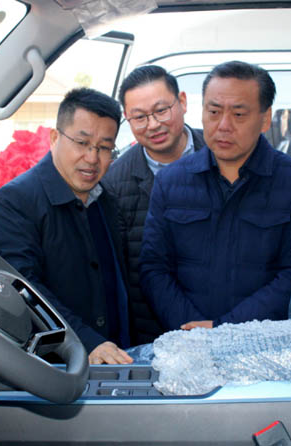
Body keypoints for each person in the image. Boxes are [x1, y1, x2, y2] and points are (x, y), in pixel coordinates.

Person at [140, 61, 291, 332]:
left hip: (263, 343)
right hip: (187, 341)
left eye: (238, 114)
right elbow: (154, 269)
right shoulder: (171, 182)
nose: (223, 126)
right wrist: (192, 330)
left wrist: (224, 329)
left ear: (265, 119)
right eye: (214, 112)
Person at [0, 88, 133, 365]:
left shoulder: (105, 199)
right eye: (82, 142)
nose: (92, 158)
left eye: (104, 147)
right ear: (54, 138)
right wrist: (87, 342)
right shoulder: (14, 202)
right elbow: (22, 290)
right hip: (54, 367)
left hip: (112, 359)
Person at [102, 65, 205, 345]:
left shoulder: (224, 154)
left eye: (161, 110)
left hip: (227, 326)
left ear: (182, 102)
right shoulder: (113, 183)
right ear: (127, 119)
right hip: (154, 338)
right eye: (140, 117)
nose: (153, 124)